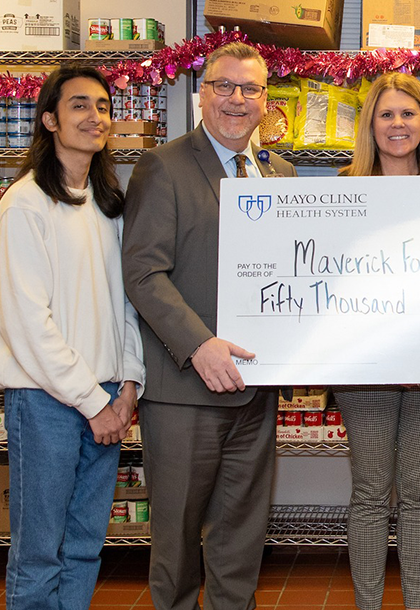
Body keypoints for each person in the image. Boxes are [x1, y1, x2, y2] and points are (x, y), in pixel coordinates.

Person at [121, 41, 297, 610]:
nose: (236, 100)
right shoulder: (163, 166)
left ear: (265, 100)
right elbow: (144, 274)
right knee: (175, 545)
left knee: (241, 541)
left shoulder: (281, 173)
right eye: (224, 86)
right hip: (185, 395)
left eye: (250, 89)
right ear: (202, 94)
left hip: (255, 390)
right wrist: (200, 346)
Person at [0, 64, 145, 610]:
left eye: (102, 106)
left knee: (83, 549)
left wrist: (127, 385)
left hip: (104, 396)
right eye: (79, 105)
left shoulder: (108, 204)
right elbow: (28, 324)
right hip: (46, 402)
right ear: (50, 119)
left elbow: (126, 301)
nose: (94, 116)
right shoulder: (25, 204)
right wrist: (93, 400)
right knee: (38, 554)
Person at [334, 73, 420, 610]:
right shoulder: (343, 191)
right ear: (370, 125)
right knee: (369, 490)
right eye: (386, 115)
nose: (398, 124)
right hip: (366, 371)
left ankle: (416, 604)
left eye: (409, 114)